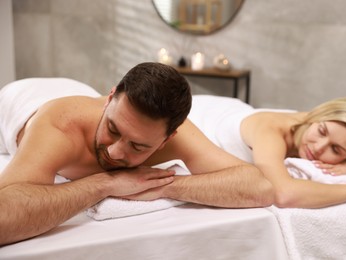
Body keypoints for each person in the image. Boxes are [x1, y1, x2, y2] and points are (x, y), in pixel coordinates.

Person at [0, 63, 273, 246]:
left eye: (138, 146)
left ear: (167, 140)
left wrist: (166, 187)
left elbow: (259, 187)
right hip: (17, 100)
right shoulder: (59, 125)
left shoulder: (169, 132)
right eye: (112, 129)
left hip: (79, 92)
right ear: (109, 99)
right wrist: (104, 184)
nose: (115, 152)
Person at [188, 95, 346, 209]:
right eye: (321, 131)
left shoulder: (343, 137)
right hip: (201, 116)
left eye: (336, 149)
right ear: (315, 116)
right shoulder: (271, 131)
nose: (318, 147)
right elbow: (283, 194)